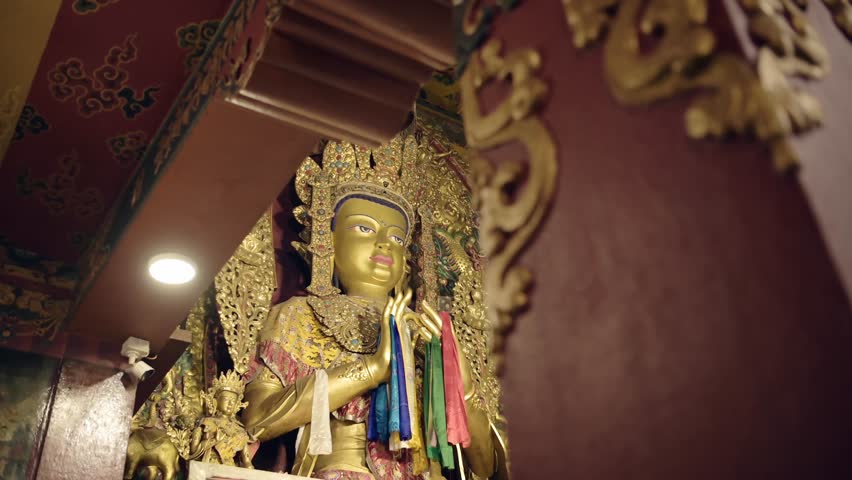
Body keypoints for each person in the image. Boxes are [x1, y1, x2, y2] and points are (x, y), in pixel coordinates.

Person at [242, 132, 502, 479]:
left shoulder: (426, 331)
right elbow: (257, 420)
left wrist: (462, 387)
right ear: (327, 239)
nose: (384, 244)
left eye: (397, 237)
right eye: (364, 228)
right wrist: (372, 370)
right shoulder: (298, 316)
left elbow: (485, 469)